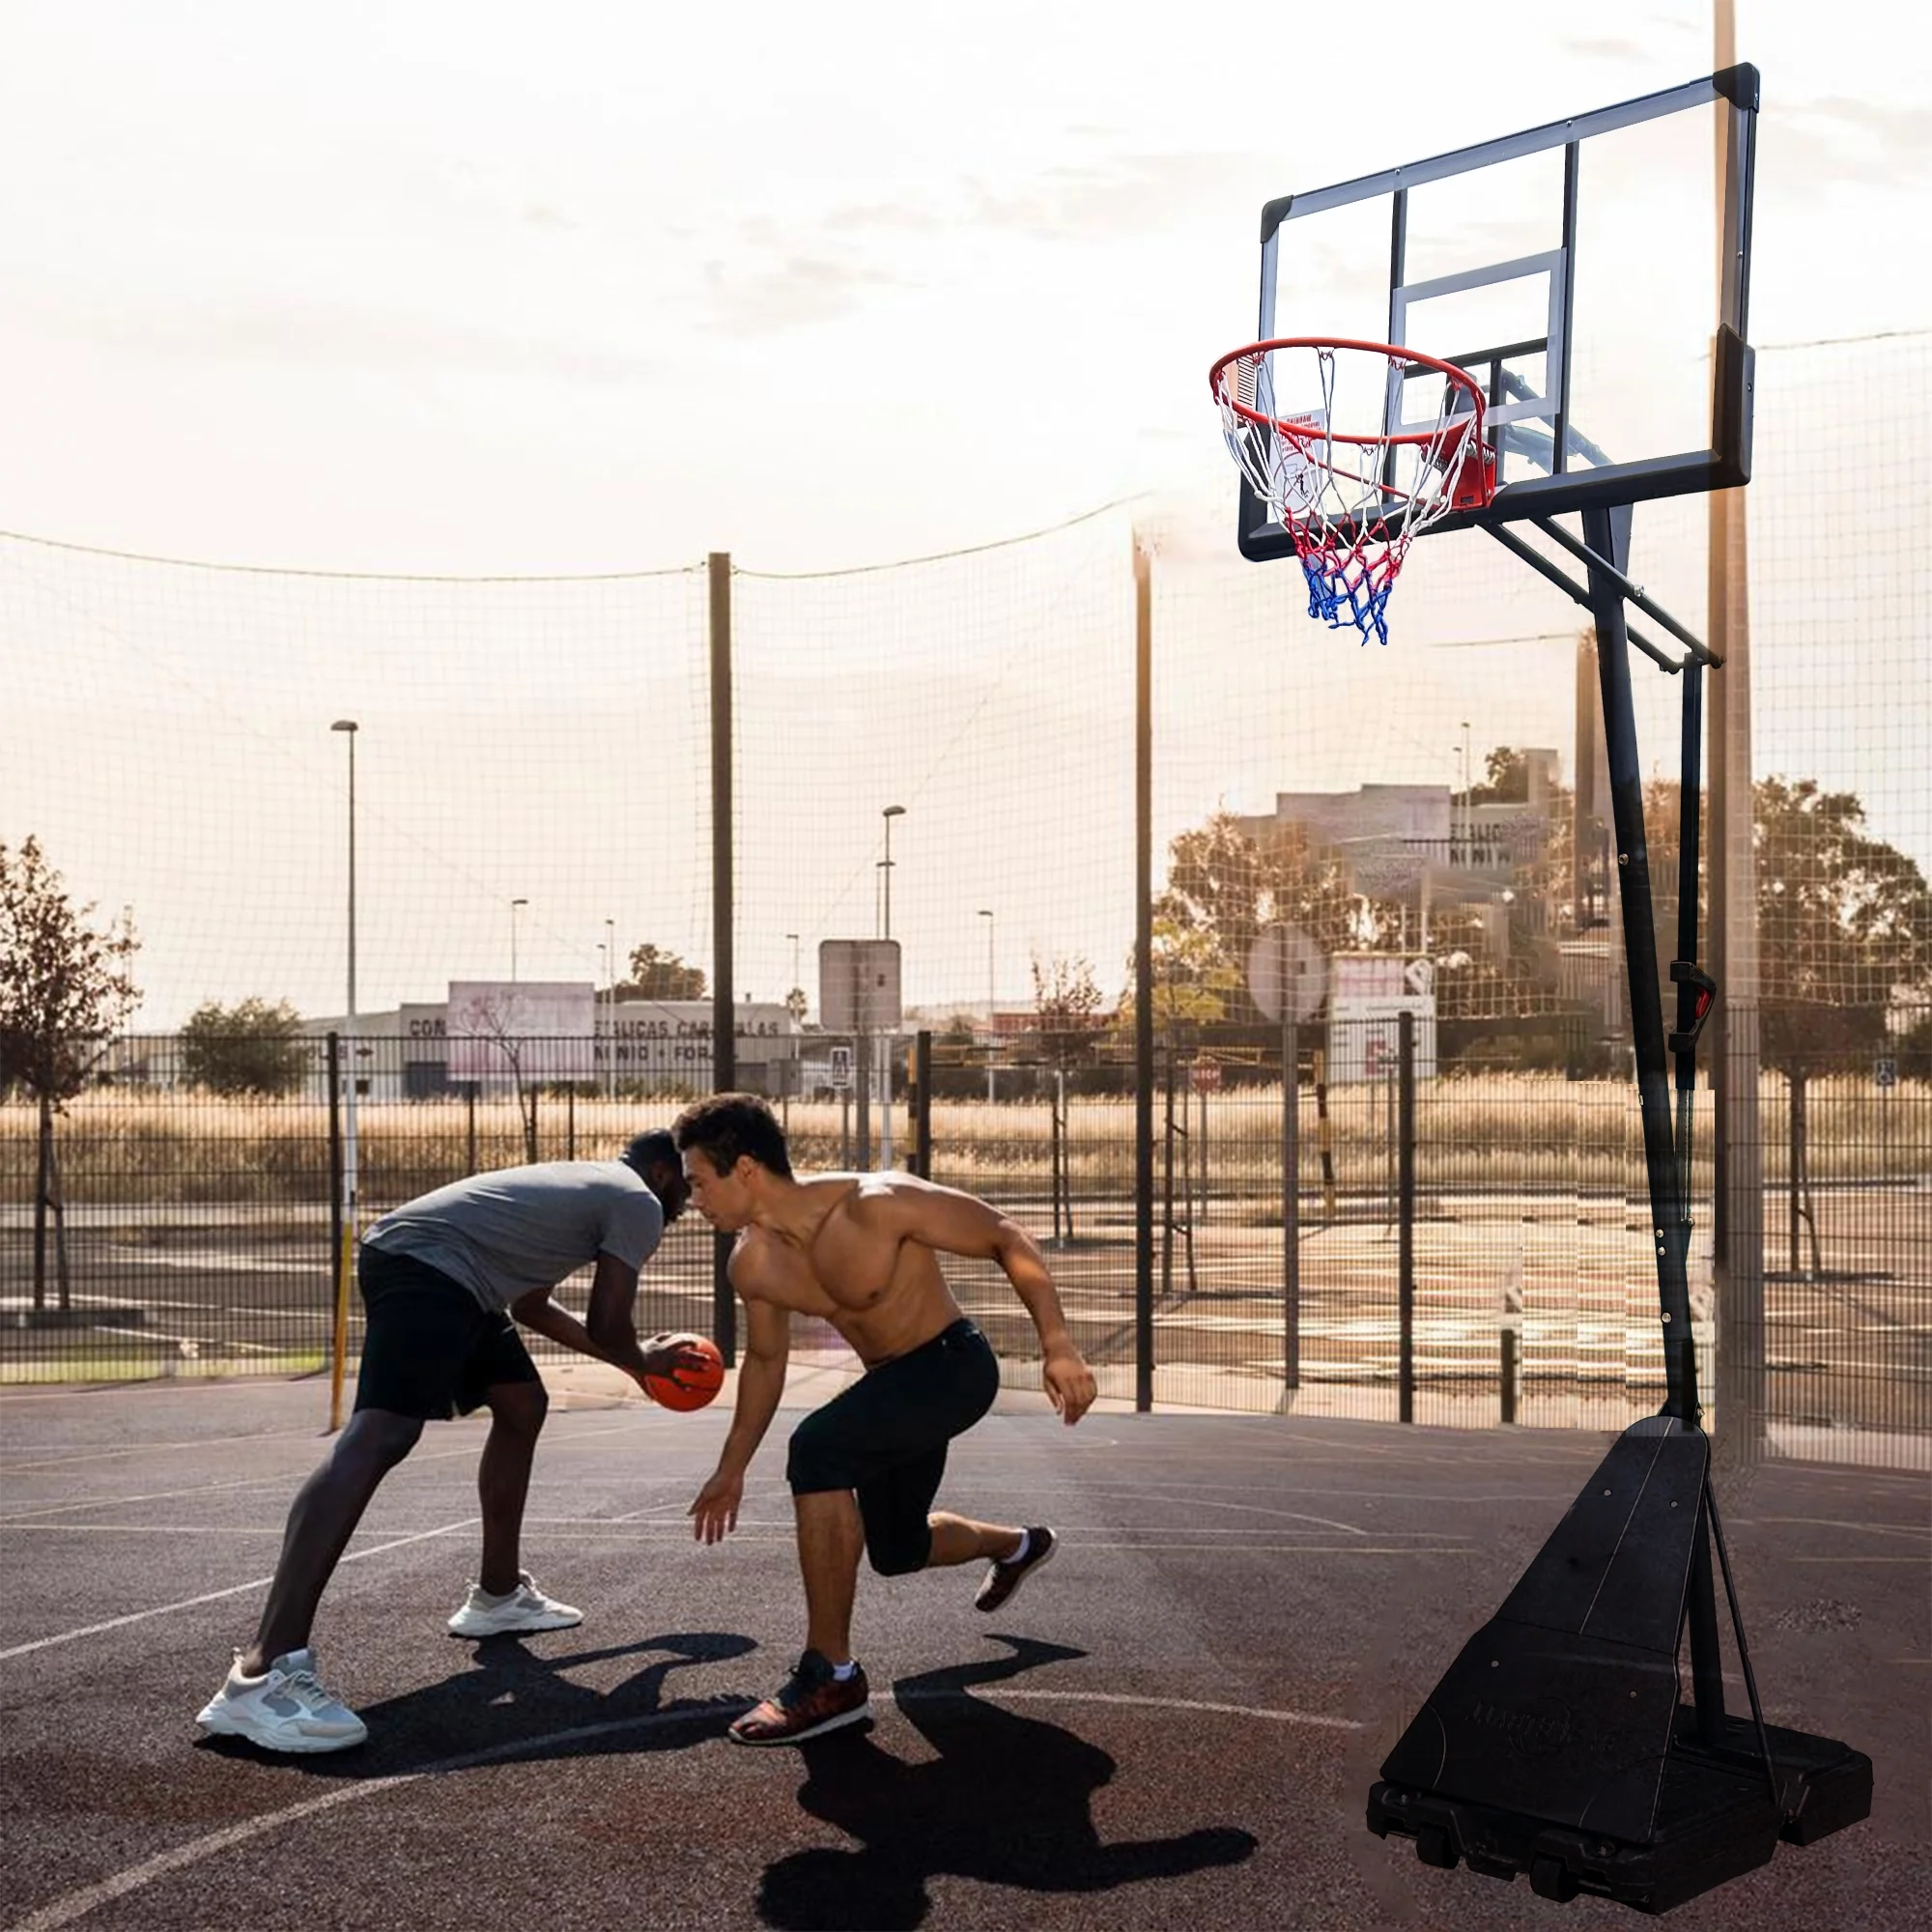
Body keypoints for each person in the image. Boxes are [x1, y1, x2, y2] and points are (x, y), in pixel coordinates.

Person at [196, 1130, 703, 1754]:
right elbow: (608, 1323)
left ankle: (498, 1596)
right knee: (382, 1434)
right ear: (662, 1170)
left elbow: (531, 1307)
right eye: (688, 1185)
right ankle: (263, 1673)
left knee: (522, 1404)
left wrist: (633, 1364)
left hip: (451, 1272)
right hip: (431, 1265)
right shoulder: (637, 1200)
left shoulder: (587, 1190)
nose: (689, 1201)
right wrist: (645, 1358)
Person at [673, 1092, 1097, 1747]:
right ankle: (1018, 1545)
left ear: (746, 1169)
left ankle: (831, 1675)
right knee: (898, 1551)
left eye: (700, 1181)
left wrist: (1058, 1344)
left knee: (817, 1448)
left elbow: (1004, 1234)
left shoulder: (875, 1203)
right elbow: (765, 1361)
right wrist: (730, 1471)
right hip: (892, 1390)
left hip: (952, 1366)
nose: (693, 1199)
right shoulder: (752, 1264)